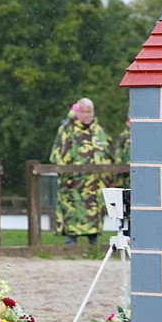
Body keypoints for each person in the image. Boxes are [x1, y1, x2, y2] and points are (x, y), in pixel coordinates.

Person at [49, 98, 113, 245]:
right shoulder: (67, 130)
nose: (86, 115)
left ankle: (94, 246)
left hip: (96, 186)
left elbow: (109, 155)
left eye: (89, 111)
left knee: (94, 217)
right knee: (73, 214)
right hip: (74, 185)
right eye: (83, 111)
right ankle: (71, 245)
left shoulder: (99, 132)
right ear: (77, 112)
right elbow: (58, 156)